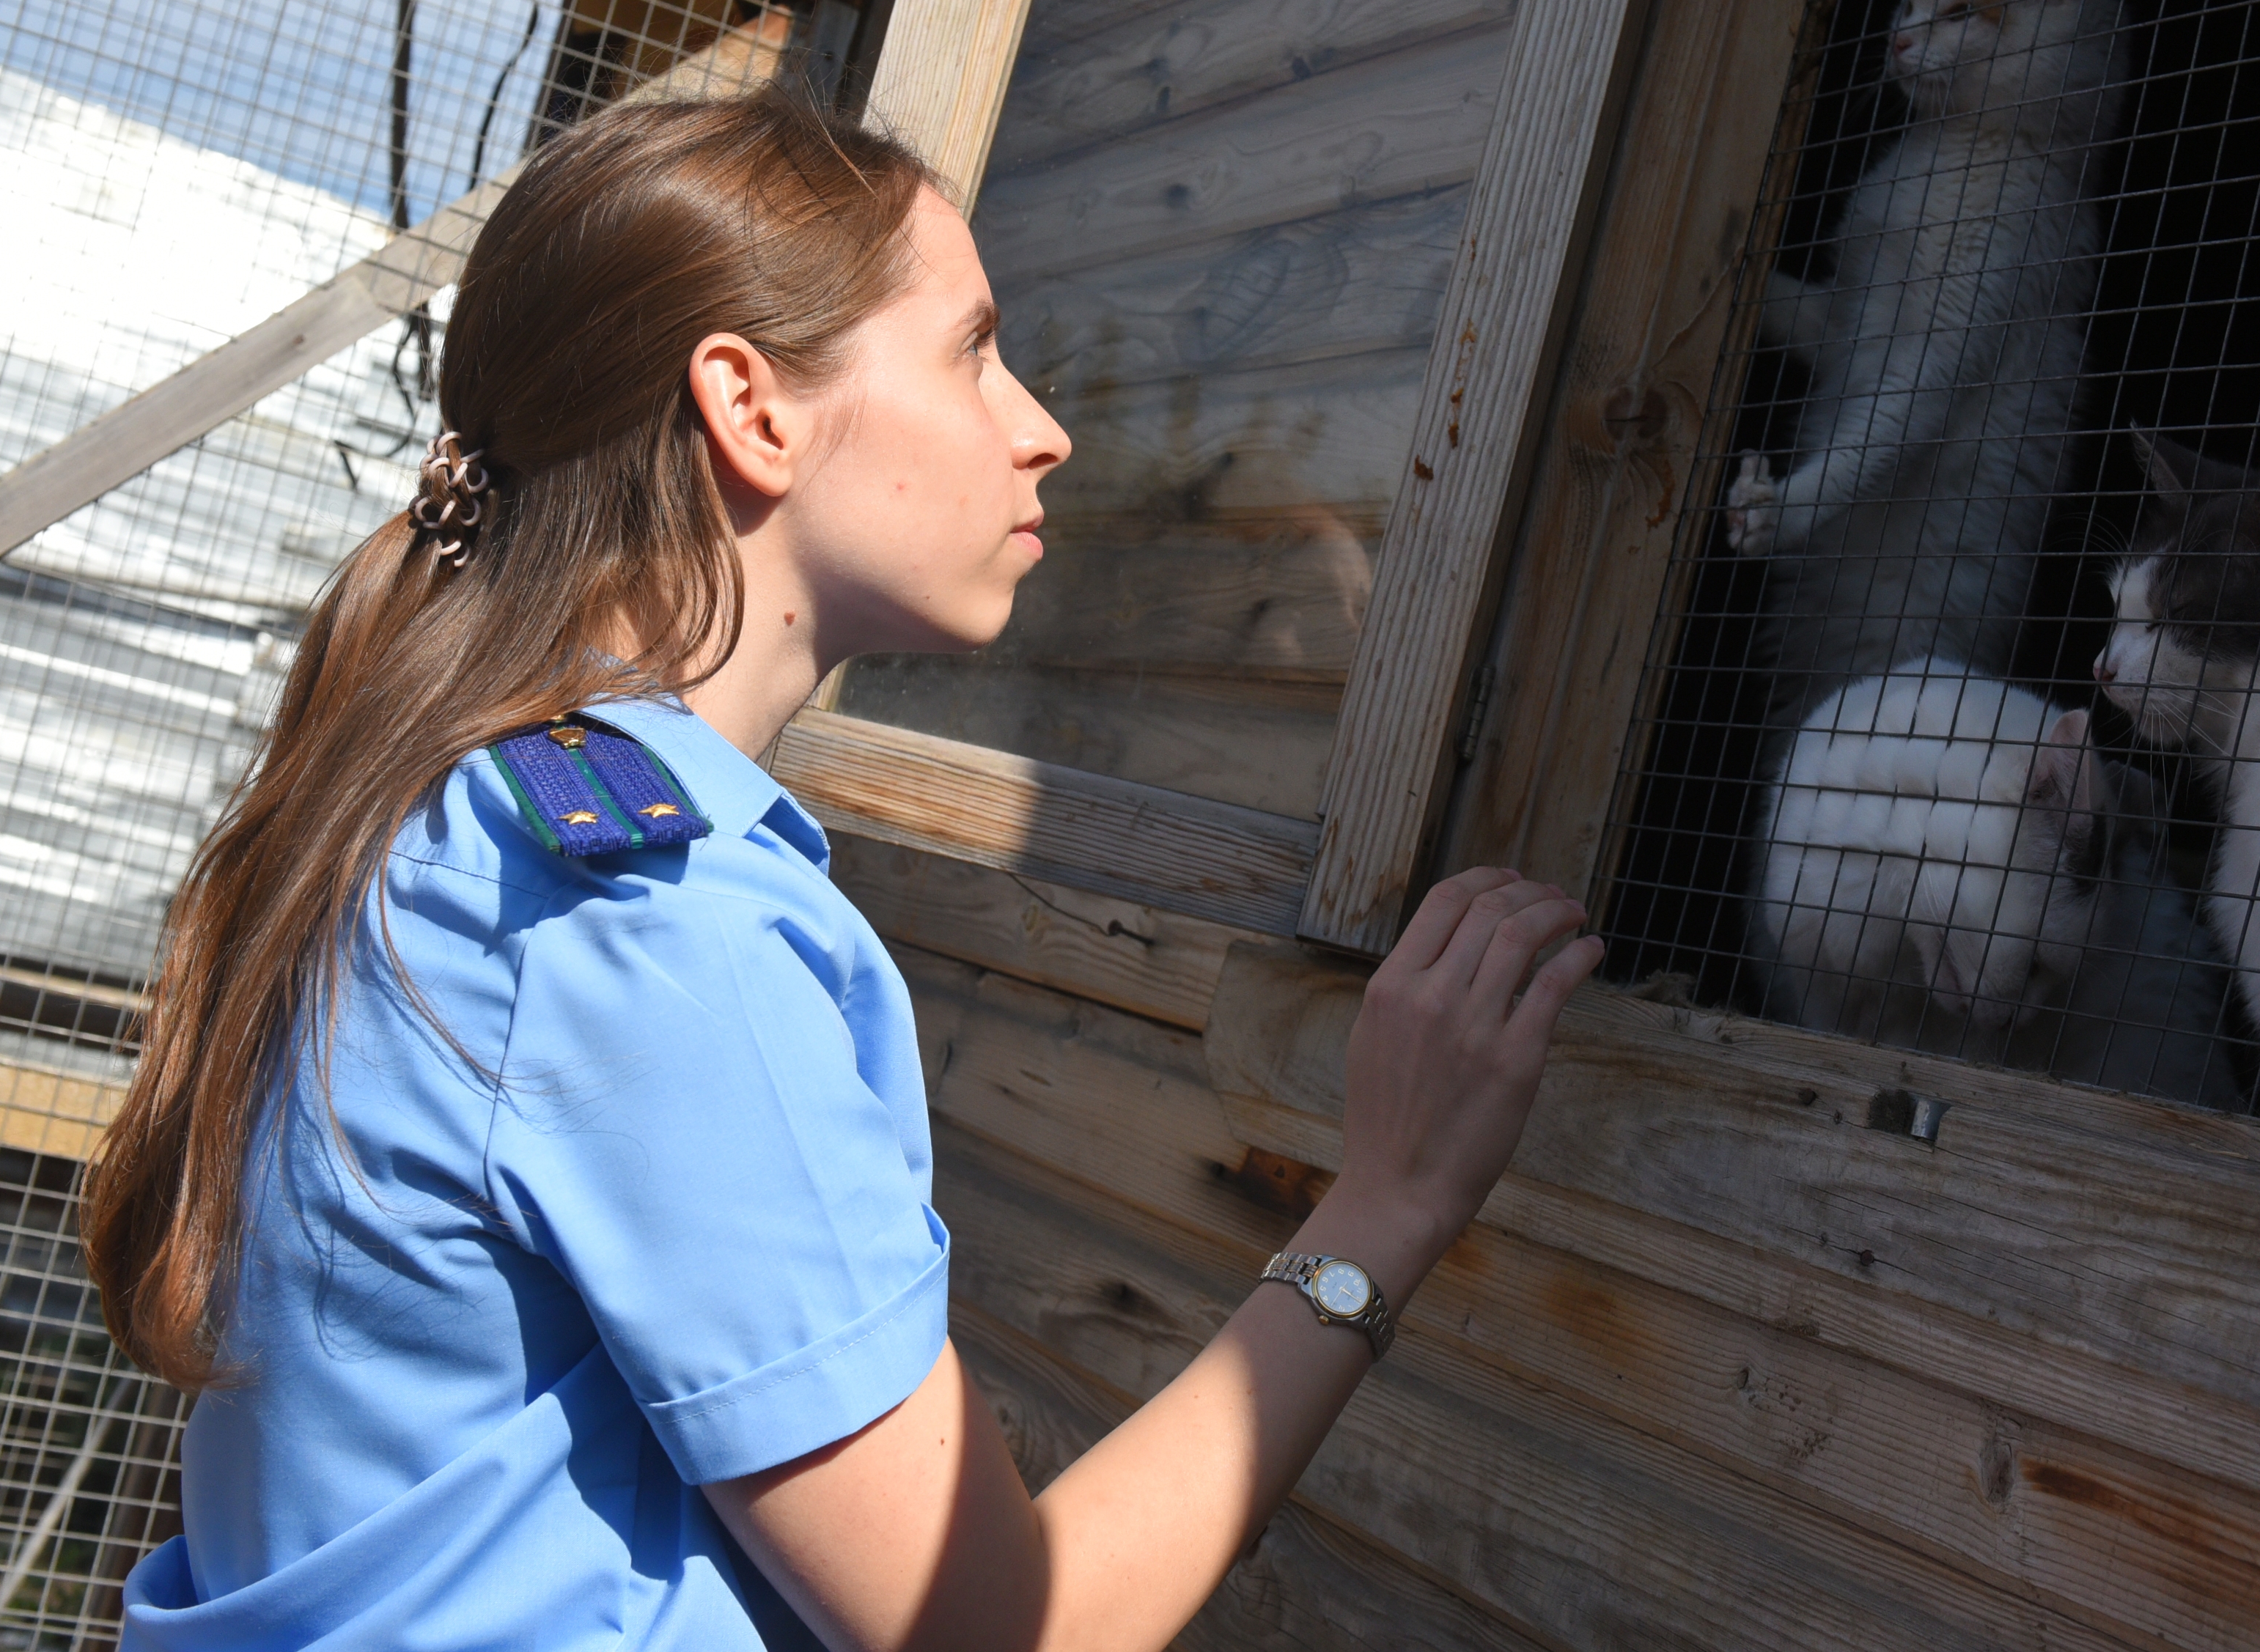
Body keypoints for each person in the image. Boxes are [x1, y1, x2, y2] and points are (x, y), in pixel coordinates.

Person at [83, 89, 1602, 1649]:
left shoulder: (452, 808)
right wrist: (1391, 1202)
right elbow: (1003, 1631)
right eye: (970, 347)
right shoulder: (641, 925)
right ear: (754, 409)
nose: (1041, 425)